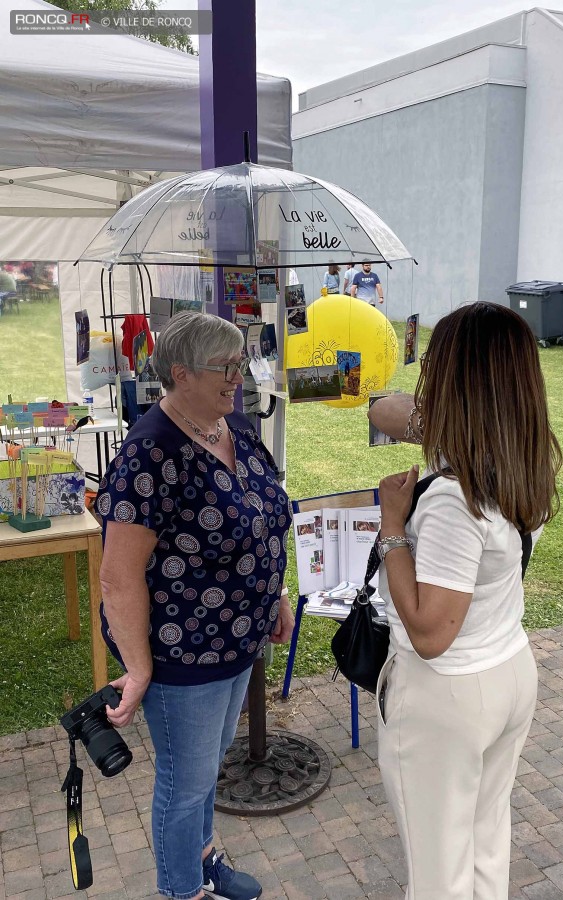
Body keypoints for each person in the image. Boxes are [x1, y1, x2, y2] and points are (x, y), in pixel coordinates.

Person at [96, 312, 294, 900]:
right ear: (180, 374)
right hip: (184, 653)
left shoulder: (230, 424)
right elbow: (117, 577)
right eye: (225, 368)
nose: (238, 376)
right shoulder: (150, 453)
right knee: (185, 783)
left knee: (205, 770)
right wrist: (137, 669)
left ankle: (203, 859)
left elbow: (261, 515)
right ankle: (181, 889)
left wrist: (275, 593)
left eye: (240, 363)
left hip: (237, 638)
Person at [368, 301, 562, 898]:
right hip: (506, 667)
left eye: (434, 364)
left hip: (446, 691)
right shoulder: (521, 460)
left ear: (455, 380)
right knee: (483, 842)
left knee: (439, 872)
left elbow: (431, 632)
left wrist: (393, 527)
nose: (424, 373)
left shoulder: (456, 499)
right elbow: (385, 409)